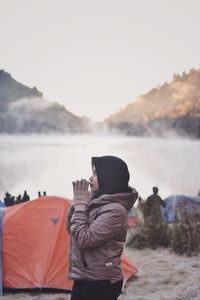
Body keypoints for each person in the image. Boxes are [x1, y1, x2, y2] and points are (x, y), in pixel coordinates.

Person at [67, 155, 138, 300]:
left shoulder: (115, 211)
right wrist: (77, 203)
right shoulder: (96, 203)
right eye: (92, 173)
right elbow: (71, 229)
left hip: (101, 282)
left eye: (96, 174)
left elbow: (84, 240)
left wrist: (81, 204)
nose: (90, 178)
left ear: (109, 178)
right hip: (85, 277)